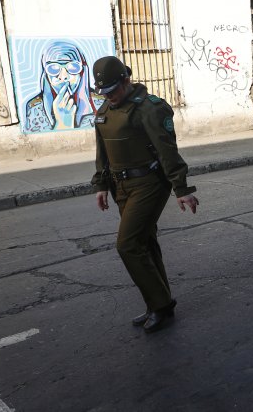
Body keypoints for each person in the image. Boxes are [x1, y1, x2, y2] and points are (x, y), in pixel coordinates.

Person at [90, 56, 199, 333]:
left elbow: (167, 150)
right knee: (145, 243)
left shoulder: (149, 109)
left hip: (150, 183)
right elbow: (102, 152)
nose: (109, 97)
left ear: (126, 80)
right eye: (104, 92)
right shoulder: (106, 109)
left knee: (127, 245)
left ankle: (160, 304)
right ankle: (158, 303)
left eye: (113, 90)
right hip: (121, 188)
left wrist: (182, 189)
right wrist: (101, 184)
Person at [24, 40, 101, 133]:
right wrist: (63, 124)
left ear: (82, 72)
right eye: (53, 68)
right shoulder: (35, 107)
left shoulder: (99, 102)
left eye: (73, 67)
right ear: (46, 74)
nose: (63, 76)